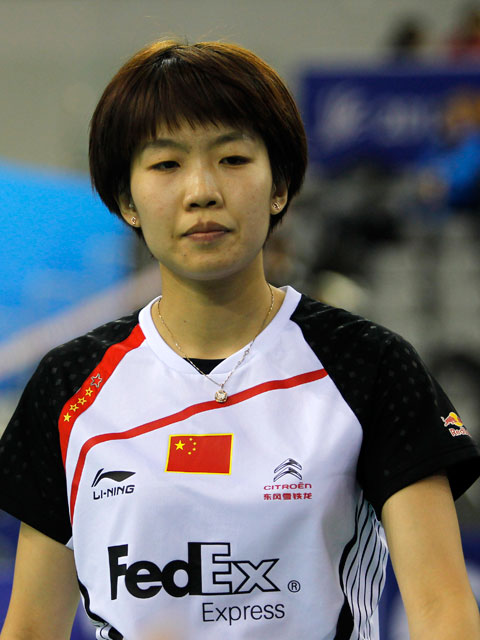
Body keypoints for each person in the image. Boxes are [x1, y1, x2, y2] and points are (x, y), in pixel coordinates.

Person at [0, 39, 479, 640]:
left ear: (279, 187)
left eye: (232, 158)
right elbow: (31, 627)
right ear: (127, 199)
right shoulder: (69, 385)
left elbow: (443, 612)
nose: (202, 190)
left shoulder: (370, 365)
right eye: (166, 165)